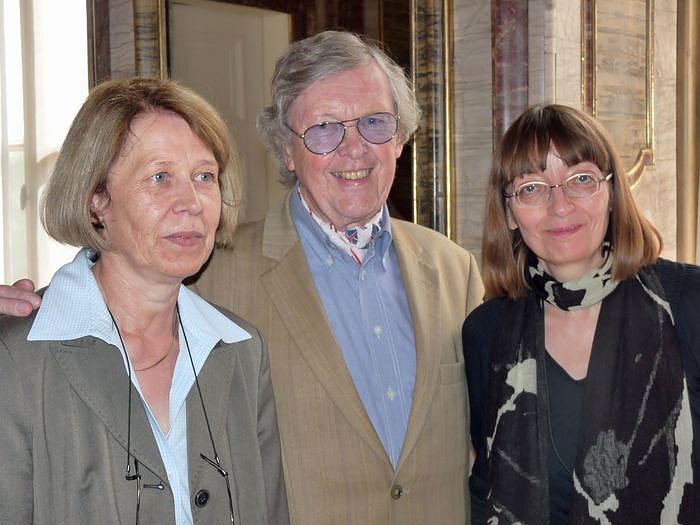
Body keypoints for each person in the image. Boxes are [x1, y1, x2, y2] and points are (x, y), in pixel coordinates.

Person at [0, 31, 485, 524]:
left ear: (400, 138)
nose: (354, 148)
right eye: (324, 128)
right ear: (287, 150)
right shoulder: (210, 277)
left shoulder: (455, 270)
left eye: (375, 123)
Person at [0, 78, 288, 524]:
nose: (192, 202)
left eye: (204, 176)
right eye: (160, 177)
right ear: (96, 200)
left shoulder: (242, 350)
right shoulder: (16, 358)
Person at [463, 104, 699, 524]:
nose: (560, 206)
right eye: (532, 188)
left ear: (612, 193)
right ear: (510, 213)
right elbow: (486, 485)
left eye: (582, 180)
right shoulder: (486, 331)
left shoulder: (689, 303)